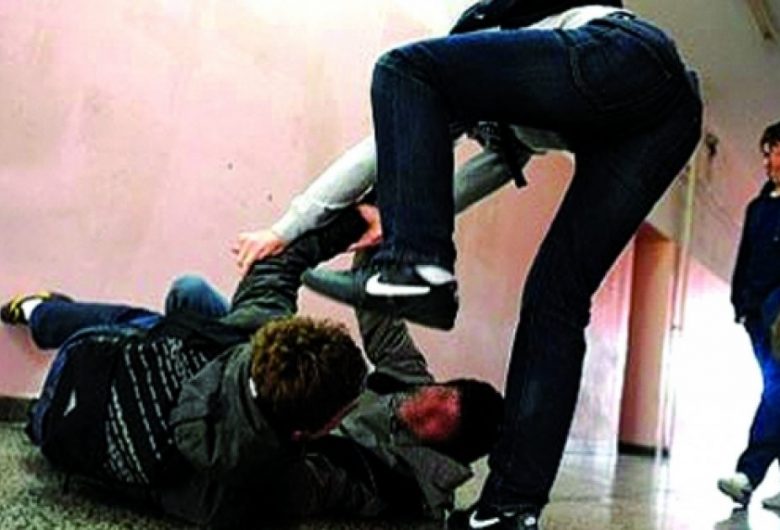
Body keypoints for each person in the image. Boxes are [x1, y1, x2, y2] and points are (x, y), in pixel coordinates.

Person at [300, 2, 704, 528]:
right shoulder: (526, 98)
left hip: (626, 54)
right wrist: (399, 222)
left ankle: (416, 269)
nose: (474, 135)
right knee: (554, 301)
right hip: (667, 120)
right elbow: (471, 173)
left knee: (403, 69)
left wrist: (295, 225)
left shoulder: (487, 27)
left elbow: (394, 134)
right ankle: (509, 509)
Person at [2, 208, 504, 525]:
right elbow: (373, 315)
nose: (420, 402)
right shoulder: (276, 470)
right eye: (438, 392)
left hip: (103, 380)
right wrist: (375, 237)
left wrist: (345, 219)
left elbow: (277, 269)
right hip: (67, 438)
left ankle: (50, 317)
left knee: (167, 322)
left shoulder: (383, 480)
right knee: (189, 294)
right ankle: (63, 337)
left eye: (436, 419)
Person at [718, 121, 780, 510]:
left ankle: (748, 475)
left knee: (777, 388)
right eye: (766, 153)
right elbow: (745, 257)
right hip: (756, 314)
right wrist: (740, 304)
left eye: (774, 151)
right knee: (777, 389)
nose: (768, 160)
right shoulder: (758, 207)